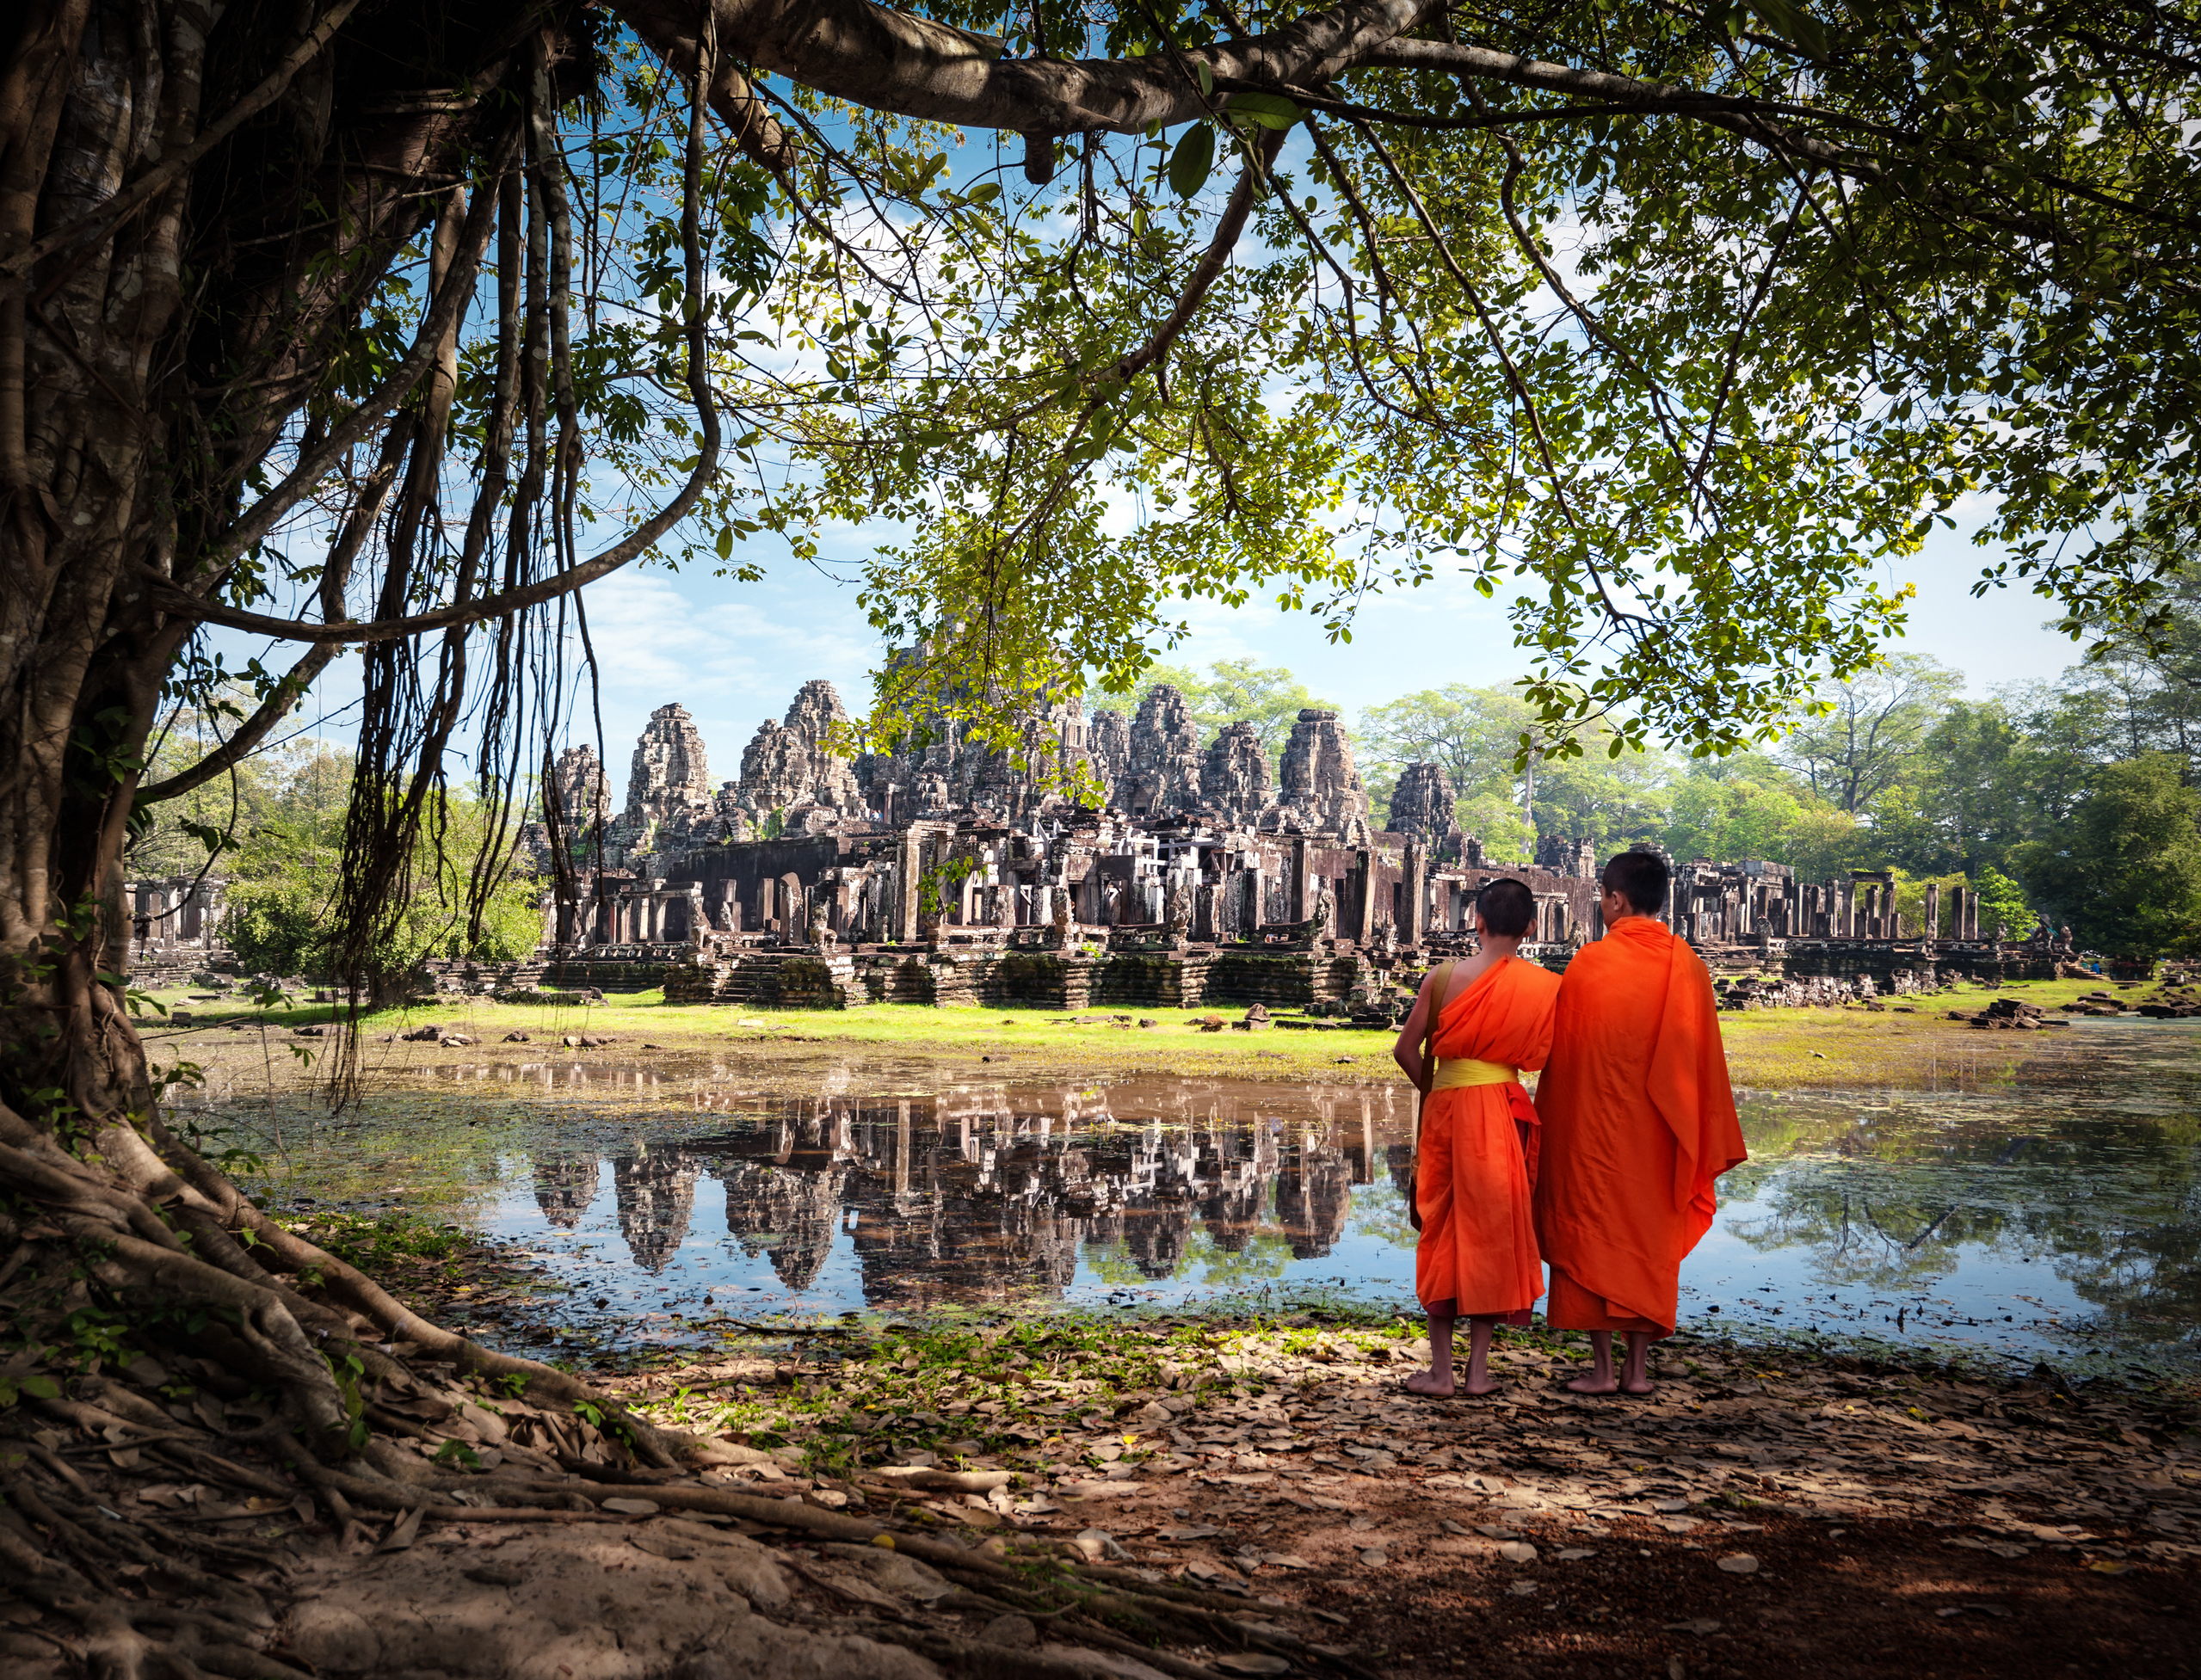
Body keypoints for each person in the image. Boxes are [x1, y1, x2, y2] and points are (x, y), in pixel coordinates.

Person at [1533, 851, 1748, 1395]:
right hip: (1660, 1136)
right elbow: (1702, 1062)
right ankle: (1636, 1371)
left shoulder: (1589, 964)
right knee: (1647, 1236)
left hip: (1593, 1133)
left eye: (1603, 897)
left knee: (1591, 1233)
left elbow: (1567, 1060)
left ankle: (1603, 1370)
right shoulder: (1689, 966)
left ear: (1616, 900)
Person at [1391, 877, 1561, 1397]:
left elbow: (1405, 1050)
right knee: (1493, 1231)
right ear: (1532, 928)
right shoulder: (1545, 986)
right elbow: (1549, 1057)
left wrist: (1443, 1088)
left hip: (1448, 1112)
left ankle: (1440, 1372)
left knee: (1441, 1227)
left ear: (1478, 921)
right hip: (1502, 1112)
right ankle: (1478, 1373)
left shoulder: (1442, 979)